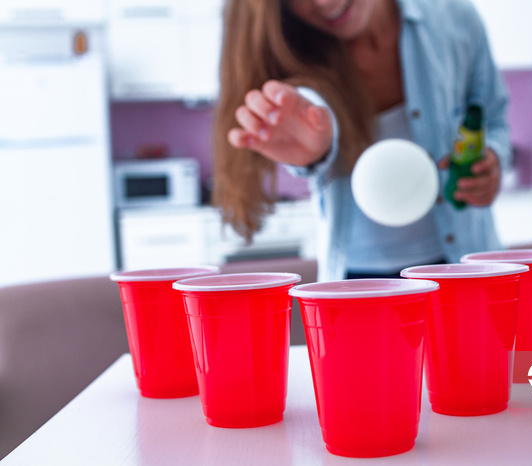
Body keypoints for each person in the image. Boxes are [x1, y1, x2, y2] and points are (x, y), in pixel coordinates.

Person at [213, 0, 510, 281]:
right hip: (358, 281)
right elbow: (306, 112)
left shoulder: (453, 17)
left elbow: (494, 117)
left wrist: (493, 158)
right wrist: (315, 152)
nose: (325, 3)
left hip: (465, 264)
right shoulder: (297, 53)